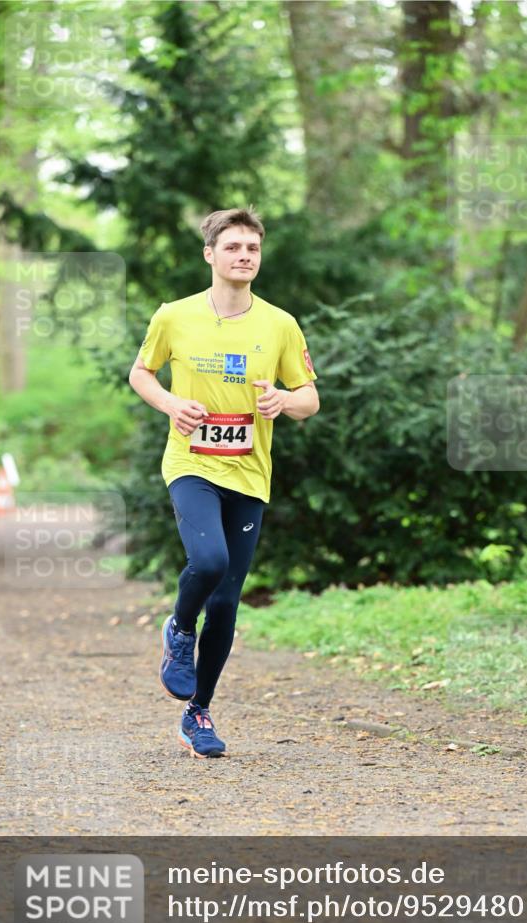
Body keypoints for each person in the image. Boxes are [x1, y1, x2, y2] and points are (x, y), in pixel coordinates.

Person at [129, 206, 319, 759]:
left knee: (230, 602)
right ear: (210, 254)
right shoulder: (175, 316)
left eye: (252, 249)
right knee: (208, 563)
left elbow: (309, 396)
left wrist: (285, 400)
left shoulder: (279, 324)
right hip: (190, 463)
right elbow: (141, 372)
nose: (244, 257)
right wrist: (170, 403)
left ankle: (198, 711)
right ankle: (179, 629)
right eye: (233, 247)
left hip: (249, 473)